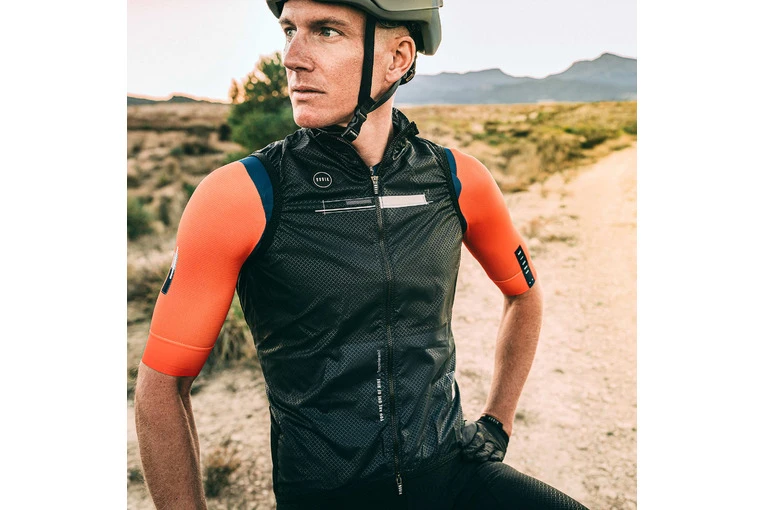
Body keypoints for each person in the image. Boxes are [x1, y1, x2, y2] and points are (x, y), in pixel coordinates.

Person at [134, 0, 589, 508]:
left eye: (326, 31)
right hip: (328, 496)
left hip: (450, 472)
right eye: (289, 31)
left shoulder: (455, 180)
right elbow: (162, 386)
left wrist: (498, 422)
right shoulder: (241, 196)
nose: (292, 57)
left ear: (397, 58)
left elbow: (524, 295)